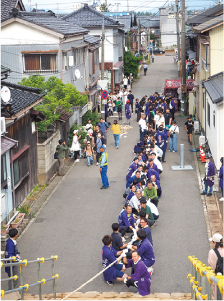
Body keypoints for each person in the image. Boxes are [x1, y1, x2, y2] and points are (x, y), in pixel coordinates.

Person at [208, 233, 224, 301]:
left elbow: (211, 266)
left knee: (217, 296)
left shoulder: (212, 252)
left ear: (214, 242)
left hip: (217, 278)